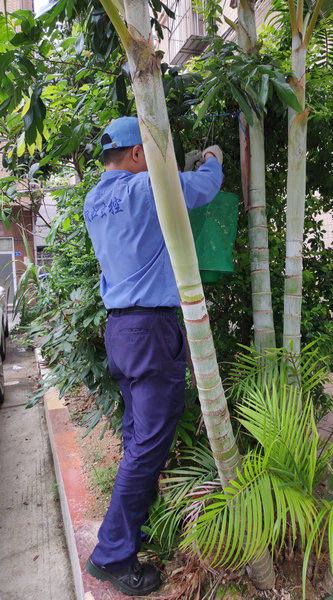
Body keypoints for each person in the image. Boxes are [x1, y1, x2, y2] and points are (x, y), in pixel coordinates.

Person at [83, 116, 223, 597]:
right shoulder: (146, 189)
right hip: (150, 328)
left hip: (120, 330)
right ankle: (113, 554)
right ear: (139, 155)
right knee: (149, 444)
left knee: (136, 438)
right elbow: (202, 190)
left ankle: (131, 532)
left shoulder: (94, 200)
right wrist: (212, 159)